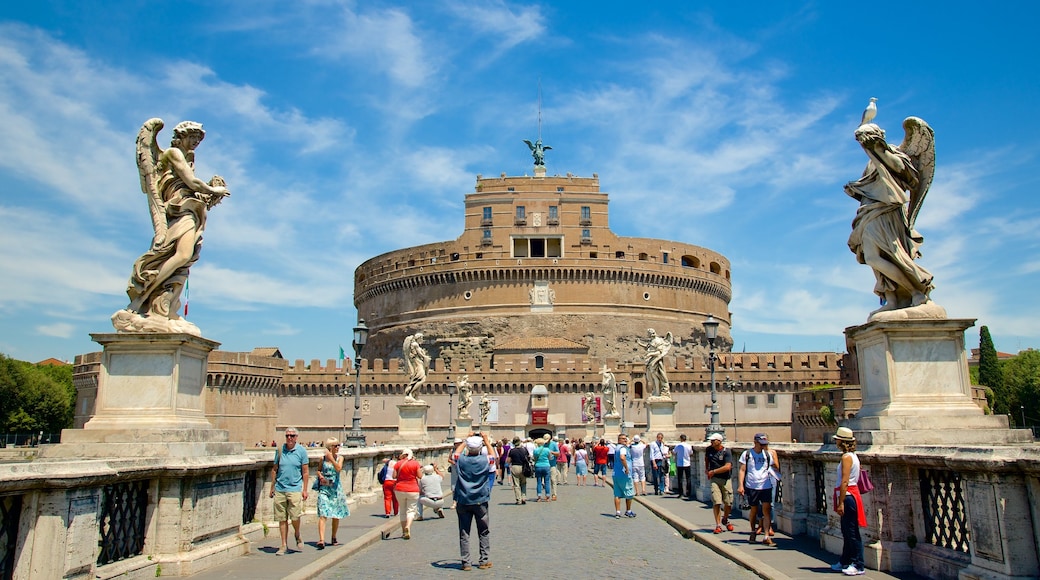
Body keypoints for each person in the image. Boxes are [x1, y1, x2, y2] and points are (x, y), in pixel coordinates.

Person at [118, 119, 229, 332]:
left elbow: (193, 189)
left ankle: (165, 307)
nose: (196, 142)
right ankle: (142, 297)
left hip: (191, 210)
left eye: (198, 138)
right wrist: (213, 190)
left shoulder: (189, 158)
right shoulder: (173, 154)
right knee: (182, 255)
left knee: (185, 260)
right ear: (181, 136)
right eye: (192, 137)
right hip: (178, 210)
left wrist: (209, 195)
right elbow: (191, 183)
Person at [844, 120, 936, 315]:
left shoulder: (892, 153)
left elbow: (907, 175)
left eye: (865, 139)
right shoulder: (870, 163)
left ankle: (916, 291)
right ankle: (892, 298)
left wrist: (880, 152)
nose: (863, 144)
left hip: (887, 212)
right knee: (872, 257)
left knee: (892, 253)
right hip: (869, 212)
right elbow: (869, 186)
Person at [454, 433, 493, 570]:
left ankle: (466, 562)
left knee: (464, 532)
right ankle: (484, 560)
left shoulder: (461, 460)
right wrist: (487, 441)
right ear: (480, 447)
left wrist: (465, 440)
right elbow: (493, 456)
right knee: (483, 531)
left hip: (463, 499)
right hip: (480, 500)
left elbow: (456, 453)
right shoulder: (485, 461)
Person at [269, 427, 309, 556]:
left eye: (292, 436)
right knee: (282, 519)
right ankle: (283, 545)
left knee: (295, 516)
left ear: (296, 437)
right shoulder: (280, 451)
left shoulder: (301, 451)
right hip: (280, 488)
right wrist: (272, 487)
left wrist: (305, 490)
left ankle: (297, 533)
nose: (289, 438)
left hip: (295, 488)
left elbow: (305, 471)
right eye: (287, 436)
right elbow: (274, 469)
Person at [833, 427, 867, 576]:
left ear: (842, 441)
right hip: (850, 495)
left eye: (837, 439)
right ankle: (845, 560)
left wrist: (840, 502)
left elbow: (845, 481)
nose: (836, 441)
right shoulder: (853, 456)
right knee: (847, 531)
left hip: (848, 496)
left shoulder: (846, 458)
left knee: (851, 532)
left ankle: (858, 564)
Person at [738, 433, 780, 546]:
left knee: (766, 510)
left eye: (764, 444)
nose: (763, 446)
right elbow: (742, 470)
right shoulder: (747, 454)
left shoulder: (767, 454)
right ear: (755, 442)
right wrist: (741, 485)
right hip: (752, 485)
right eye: (761, 444)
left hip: (765, 485)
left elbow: (774, 467)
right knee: (754, 510)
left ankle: (766, 536)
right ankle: (752, 531)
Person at [315, 438, 348, 549]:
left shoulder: (340, 458)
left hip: (335, 489)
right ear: (330, 447)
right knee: (323, 514)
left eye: (338, 445)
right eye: (335, 445)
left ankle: (333, 536)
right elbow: (318, 470)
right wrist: (320, 476)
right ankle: (321, 540)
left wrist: (331, 459)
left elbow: (338, 469)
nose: (337, 447)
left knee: (335, 515)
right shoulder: (322, 459)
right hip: (325, 488)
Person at [705, 433, 734, 534]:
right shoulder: (709, 450)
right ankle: (718, 525)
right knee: (716, 502)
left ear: (719, 441)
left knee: (728, 503)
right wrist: (707, 469)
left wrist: (714, 471)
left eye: (713, 440)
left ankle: (725, 518)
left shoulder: (726, 452)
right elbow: (707, 459)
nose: (711, 442)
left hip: (726, 479)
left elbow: (727, 467)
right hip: (715, 480)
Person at [393, 449, 422, 540]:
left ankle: (403, 531)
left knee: (402, 510)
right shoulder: (415, 463)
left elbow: (394, 476)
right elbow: (420, 476)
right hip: (413, 489)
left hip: (400, 489)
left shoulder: (397, 464)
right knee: (411, 510)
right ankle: (408, 526)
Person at [639, 329, 673, 397]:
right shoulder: (652, 341)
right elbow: (648, 347)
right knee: (651, 377)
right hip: (651, 361)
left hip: (656, 361)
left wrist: (650, 354)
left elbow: (659, 352)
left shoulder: (658, 341)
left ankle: (657, 392)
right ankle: (655, 391)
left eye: (648, 333)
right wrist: (640, 344)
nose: (647, 335)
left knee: (655, 377)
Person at [612, 433, 637, 518]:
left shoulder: (617, 448)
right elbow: (622, 457)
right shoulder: (623, 449)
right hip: (624, 474)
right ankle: (628, 510)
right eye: (623, 439)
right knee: (629, 493)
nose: (625, 440)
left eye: (625, 438)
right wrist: (626, 468)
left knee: (617, 494)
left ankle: (618, 512)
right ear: (619, 440)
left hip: (616, 473)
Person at [403, 333, 431, 401]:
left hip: (420, 363)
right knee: (421, 378)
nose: (422, 340)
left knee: (419, 379)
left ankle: (416, 396)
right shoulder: (415, 344)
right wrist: (426, 357)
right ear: (418, 338)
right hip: (417, 363)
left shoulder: (416, 345)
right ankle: (411, 393)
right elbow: (419, 354)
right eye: (421, 338)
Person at [531, 434, 555, 501]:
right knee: (547, 482)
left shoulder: (535, 450)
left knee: (539, 482)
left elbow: (534, 458)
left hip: (538, 466)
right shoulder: (547, 450)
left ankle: (539, 496)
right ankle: (547, 496)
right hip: (546, 466)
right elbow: (550, 458)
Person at [507, 437, 531, 504]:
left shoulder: (511, 450)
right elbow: (528, 458)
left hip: (515, 467)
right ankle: (524, 497)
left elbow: (508, 461)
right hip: (523, 467)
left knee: (516, 484)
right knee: (523, 483)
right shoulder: (524, 450)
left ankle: (518, 499)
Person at [673, 433, 693, 499]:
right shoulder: (688, 446)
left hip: (680, 464)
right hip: (687, 463)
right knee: (688, 478)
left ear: (681, 439)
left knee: (680, 479)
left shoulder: (678, 445)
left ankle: (680, 493)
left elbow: (674, 452)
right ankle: (688, 492)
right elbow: (691, 453)